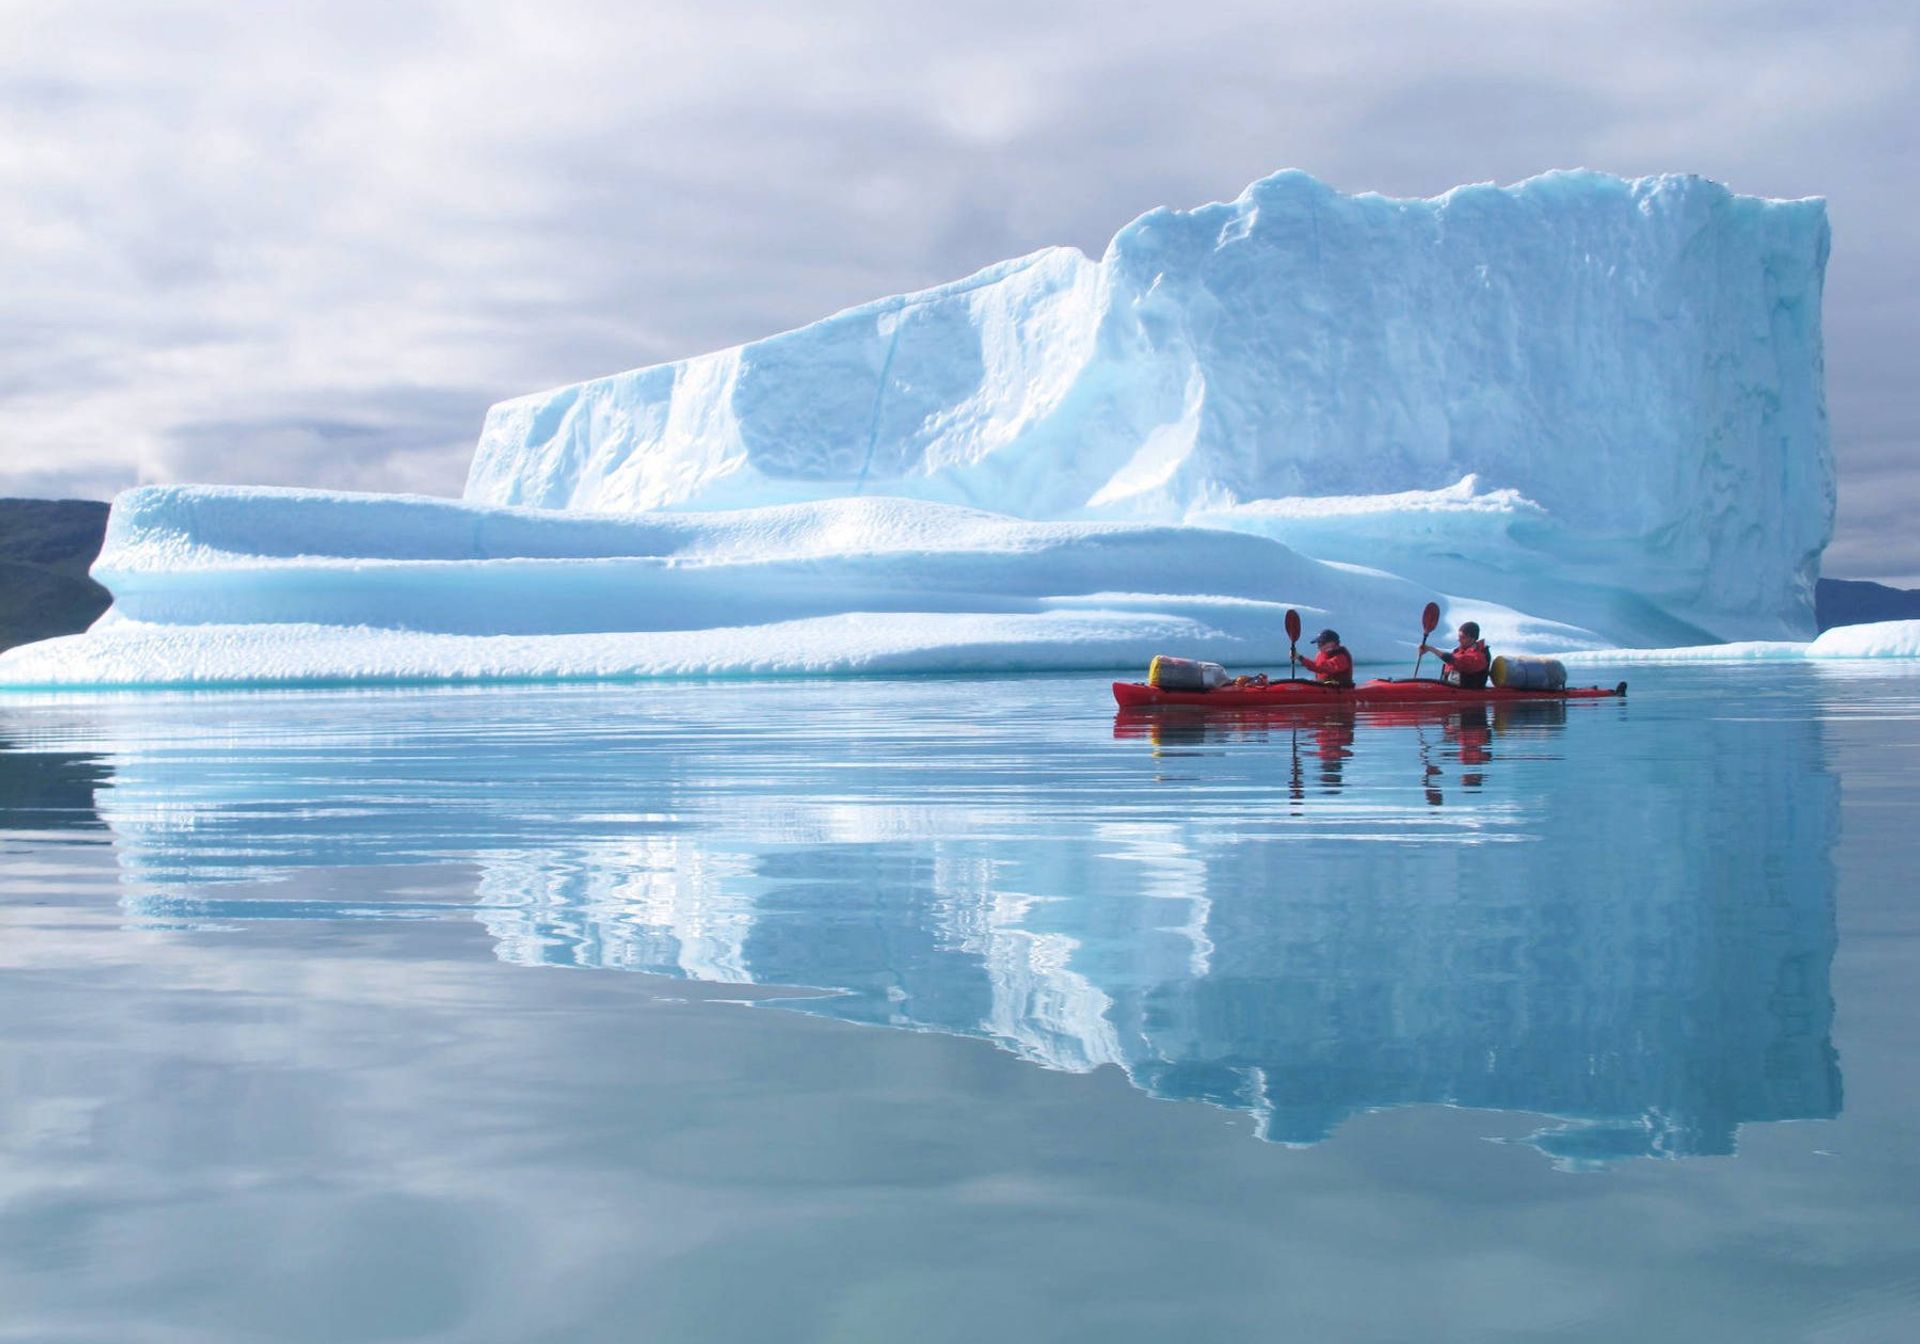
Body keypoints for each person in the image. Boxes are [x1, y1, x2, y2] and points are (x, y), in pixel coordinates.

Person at [1422, 620, 1491, 689]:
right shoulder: (1459, 651)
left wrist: (1432, 649)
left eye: (1463, 637)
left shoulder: (1479, 657)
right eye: (1459, 637)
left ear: (1472, 639)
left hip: (1465, 692)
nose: (1459, 640)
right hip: (1449, 688)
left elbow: (1458, 661)